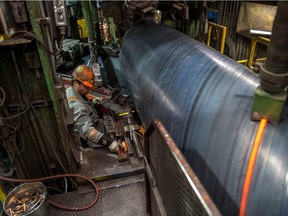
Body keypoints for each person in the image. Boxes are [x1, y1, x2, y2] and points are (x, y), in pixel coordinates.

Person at [66, 65, 119, 153]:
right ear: (76, 83)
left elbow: (83, 101)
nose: (89, 88)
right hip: (91, 140)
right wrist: (109, 143)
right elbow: (87, 131)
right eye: (87, 86)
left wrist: (92, 100)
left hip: (96, 123)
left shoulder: (74, 91)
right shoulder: (75, 105)